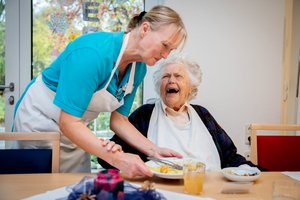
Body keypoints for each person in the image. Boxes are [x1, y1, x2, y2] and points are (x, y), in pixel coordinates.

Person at [12, 5, 187, 176]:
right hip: (40, 121)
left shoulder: (139, 68)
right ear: (145, 29)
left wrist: (154, 150)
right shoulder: (92, 54)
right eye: (165, 45)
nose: (165, 55)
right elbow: (68, 122)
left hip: (76, 127)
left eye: (170, 50)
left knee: (78, 190)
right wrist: (117, 158)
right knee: (38, 187)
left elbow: (119, 120)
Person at [98, 54, 261, 171]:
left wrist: (260, 172)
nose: (171, 80)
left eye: (178, 76)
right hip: (160, 191)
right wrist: (110, 151)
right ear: (159, 85)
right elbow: (113, 156)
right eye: (165, 76)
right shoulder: (145, 114)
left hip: (210, 190)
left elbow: (230, 156)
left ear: (191, 87)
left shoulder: (203, 115)